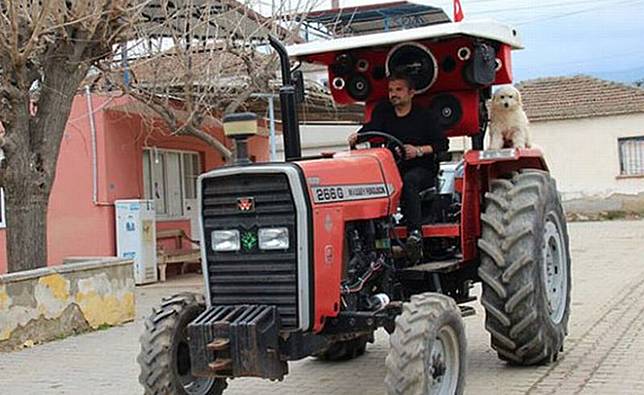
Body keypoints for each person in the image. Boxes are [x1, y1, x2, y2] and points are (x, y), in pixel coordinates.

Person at [347, 72, 448, 263]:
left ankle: (414, 234)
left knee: (409, 180)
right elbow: (371, 129)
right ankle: (371, 236)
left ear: (411, 93)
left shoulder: (424, 116)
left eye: (399, 90)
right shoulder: (384, 113)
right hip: (394, 168)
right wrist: (357, 136)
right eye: (391, 90)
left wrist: (418, 150)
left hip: (422, 169)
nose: (394, 94)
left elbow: (442, 144)